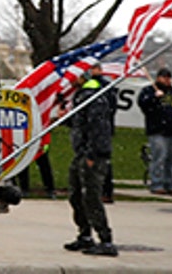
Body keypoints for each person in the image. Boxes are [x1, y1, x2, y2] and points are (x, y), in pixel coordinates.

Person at [65, 74, 118, 256]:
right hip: (81, 153)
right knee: (76, 195)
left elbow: (99, 127)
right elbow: (80, 124)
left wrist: (92, 153)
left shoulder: (94, 96)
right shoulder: (81, 95)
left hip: (92, 155)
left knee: (91, 197)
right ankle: (85, 235)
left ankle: (105, 239)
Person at [138, 67, 172, 195]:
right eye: (164, 77)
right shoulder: (148, 91)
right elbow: (143, 104)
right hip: (157, 130)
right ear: (158, 78)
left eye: (168, 77)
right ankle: (156, 183)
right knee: (159, 157)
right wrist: (154, 98)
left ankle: (169, 183)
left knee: (171, 159)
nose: (166, 80)